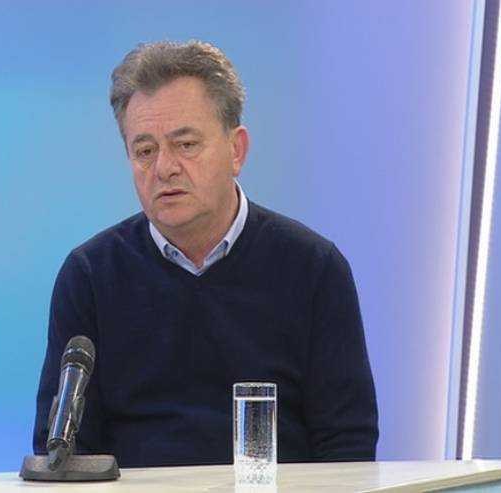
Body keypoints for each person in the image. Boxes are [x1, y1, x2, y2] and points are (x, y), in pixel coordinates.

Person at [33, 40, 378, 467]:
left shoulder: (314, 269)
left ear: (236, 150)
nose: (164, 168)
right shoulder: (89, 276)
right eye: (145, 151)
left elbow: (347, 450)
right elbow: (62, 451)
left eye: (186, 144)